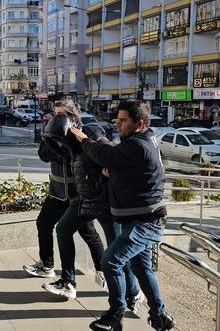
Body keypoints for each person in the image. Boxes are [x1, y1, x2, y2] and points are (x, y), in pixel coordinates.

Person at [70, 99, 175, 331]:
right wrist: (113, 171)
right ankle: (160, 315)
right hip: (138, 218)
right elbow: (123, 165)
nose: (117, 124)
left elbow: (104, 154)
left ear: (139, 123)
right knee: (140, 268)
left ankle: (115, 314)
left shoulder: (138, 145)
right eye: (117, 119)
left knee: (111, 259)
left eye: (123, 120)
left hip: (146, 221)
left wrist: (83, 138)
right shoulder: (141, 141)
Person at [41, 113, 144, 312]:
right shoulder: (68, 144)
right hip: (84, 199)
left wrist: (109, 169)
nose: (60, 146)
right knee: (63, 229)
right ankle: (68, 281)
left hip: (106, 202)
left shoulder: (92, 135)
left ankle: (133, 293)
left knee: (117, 250)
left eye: (61, 142)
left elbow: (109, 154)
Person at [23, 101, 104, 279]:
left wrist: (69, 143)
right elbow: (43, 155)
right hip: (58, 192)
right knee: (43, 223)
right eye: (55, 114)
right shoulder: (51, 132)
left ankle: (103, 269)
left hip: (79, 193)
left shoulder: (85, 133)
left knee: (87, 232)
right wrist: (54, 142)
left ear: (73, 117)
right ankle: (47, 265)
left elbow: (95, 154)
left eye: (62, 115)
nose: (57, 118)